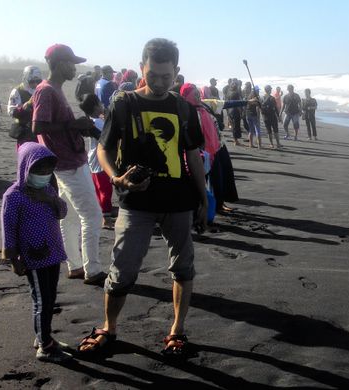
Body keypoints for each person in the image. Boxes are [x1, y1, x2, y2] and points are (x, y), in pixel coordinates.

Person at [79, 38, 208, 357]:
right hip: (135, 202)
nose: (161, 82)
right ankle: (109, 328)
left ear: (176, 72)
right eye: (153, 75)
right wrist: (115, 178)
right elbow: (104, 147)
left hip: (178, 200)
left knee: (183, 267)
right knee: (122, 269)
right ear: (142, 69)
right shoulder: (124, 103)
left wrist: (203, 198)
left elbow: (192, 155)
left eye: (167, 76)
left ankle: (177, 330)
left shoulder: (183, 108)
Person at [32, 44, 106, 285]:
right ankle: (92, 269)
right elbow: (38, 126)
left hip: (66, 161)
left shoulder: (51, 89)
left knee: (71, 217)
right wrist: (72, 126)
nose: (74, 67)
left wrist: (74, 126)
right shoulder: (47, 91)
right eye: (71, 63)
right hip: (68, 163)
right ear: (60, 63)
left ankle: (75, 265)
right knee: (92, 216)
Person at [0, 142, 72, 362]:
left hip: (53, 252)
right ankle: (45, 347)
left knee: (50, 297)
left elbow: (62, 212)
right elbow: (8, 230)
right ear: (25, 168)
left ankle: (44, 336)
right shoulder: (14, 196)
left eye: (47, 171)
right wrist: (13, 259)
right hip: (34, 257)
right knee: (41, 299)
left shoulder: (48, 190)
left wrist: (50, 199)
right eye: (38, 170)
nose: (43, 175)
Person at [79, 94, 112, 229]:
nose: (102, 105)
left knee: (98, 189)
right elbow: (106, 138)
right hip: (99, 160)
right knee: (105, 189)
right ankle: (106, 218)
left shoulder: (93, 121)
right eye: (99, 103)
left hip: (93, 159)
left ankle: (101, 213)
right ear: (95, 107)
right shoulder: (98, 122)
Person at [8, 66, 43, 146]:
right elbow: (11, 111)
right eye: (32, 81)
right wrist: (25, 108)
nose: (35, 84)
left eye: (38, 81)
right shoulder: (18, 91)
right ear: (26, 79)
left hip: (39, 131)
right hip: (24, 132)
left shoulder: (41, 91)